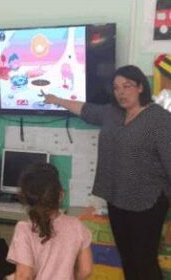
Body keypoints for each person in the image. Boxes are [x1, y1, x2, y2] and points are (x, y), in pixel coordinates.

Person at [44, 65, 171, 279]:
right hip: (116, 197)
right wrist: (57, 99)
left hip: (147, 202)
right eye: (116, 87)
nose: (121, 92)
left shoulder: (159, 119)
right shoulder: (112, 113)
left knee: (144, 259)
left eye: (127, 86)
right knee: (128, 257)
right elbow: (85, 109)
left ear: (141, 86)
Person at [7, 163, 93, 280]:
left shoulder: (24, 229)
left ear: (25, 198)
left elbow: (24, 275)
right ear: (61, 195)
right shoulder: (77, 226)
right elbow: (86, 270)